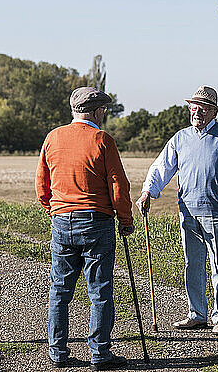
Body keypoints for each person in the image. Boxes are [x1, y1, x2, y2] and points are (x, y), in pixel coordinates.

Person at [136, 85, 218, 335]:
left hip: (217, 211)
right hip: (187, 210)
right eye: (193, 107)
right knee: (192, 263)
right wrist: (148, 192)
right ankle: (196, 314)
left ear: (213, 112)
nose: (196, 111)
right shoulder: (181, 138)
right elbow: (161, 168)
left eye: (203, 108)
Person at [36, 87, 134, 370]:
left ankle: (57, 352)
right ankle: (100, 354)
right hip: (96, 222)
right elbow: (119, 186)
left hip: (62, 220)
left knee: (60, 290)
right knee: (100, 290)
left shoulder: (53, 138)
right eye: (103, 110)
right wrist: (125, 221)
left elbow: (42, 185)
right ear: (96, 111)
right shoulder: (103, 140)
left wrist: (53, 211)